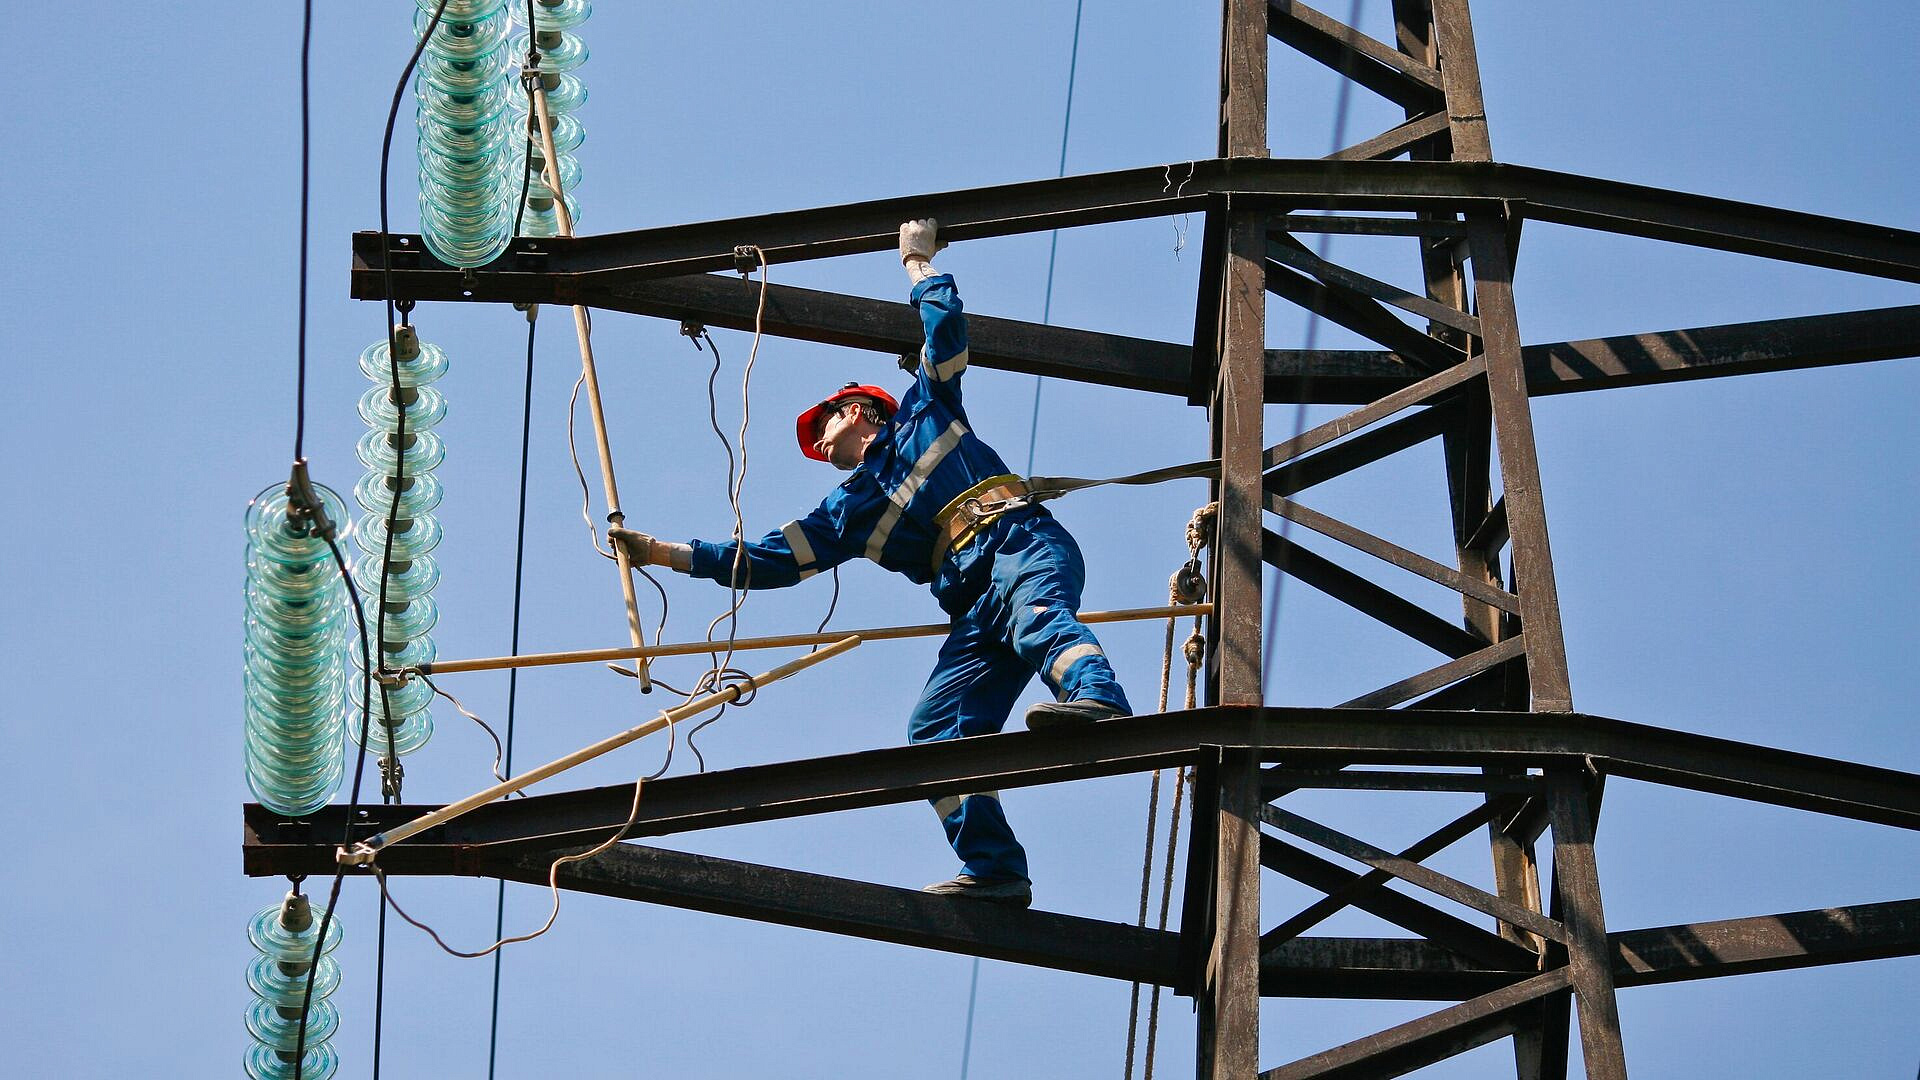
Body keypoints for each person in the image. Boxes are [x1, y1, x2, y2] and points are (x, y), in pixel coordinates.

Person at [612, 219, 1131, 907]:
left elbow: (945, 329)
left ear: (858, 410)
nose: (818, 441)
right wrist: (665, 554)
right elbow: (769, 560)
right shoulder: (848, 511)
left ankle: (1099, 700)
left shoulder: (926, 413)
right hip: (976, 606)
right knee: (935, 731)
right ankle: (996, 869)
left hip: (1018, 544)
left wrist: (917, 262)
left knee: (1035, 617)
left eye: (824, 423)